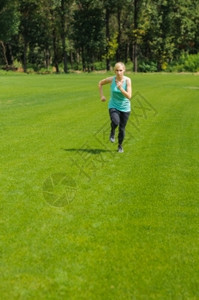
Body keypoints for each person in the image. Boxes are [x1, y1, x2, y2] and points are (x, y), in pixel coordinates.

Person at [98, 62, 132, 153]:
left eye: (120, 70)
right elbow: (100, 83)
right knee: (115, 121)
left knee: (122, 128)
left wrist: (121, 88)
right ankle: (112, 131)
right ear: (114, 71)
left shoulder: (128, 80)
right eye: (116, 70)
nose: (119, 72)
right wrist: (102, 96)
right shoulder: (111, 79)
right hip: (113, 105)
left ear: (124, 70)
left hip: (125, 107)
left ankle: (120, 145)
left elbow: (129, 96)